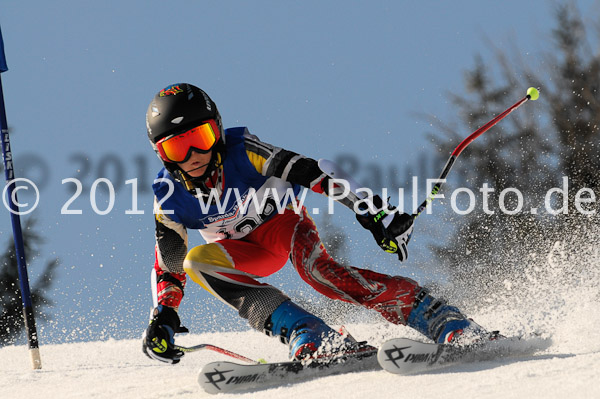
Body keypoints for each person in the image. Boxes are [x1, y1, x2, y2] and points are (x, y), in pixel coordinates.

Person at [142, 83, 494, 364]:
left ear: (216, 131)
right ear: (162, 155)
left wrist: (375, 212)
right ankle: (309, 334)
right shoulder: (169, 196)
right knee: (197, 262)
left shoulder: (243, 150)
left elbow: (313, 170)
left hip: (283, 226)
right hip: (242, 251)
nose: (193, 157)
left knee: (320, 275)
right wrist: (165, 316)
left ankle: (436, 315)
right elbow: (170, 264)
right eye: (177, 148)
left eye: (199, 139)